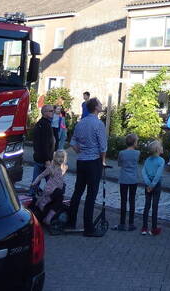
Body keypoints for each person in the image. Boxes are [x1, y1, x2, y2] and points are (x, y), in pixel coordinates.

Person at [65, 97, 108, 236]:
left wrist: (79, 150)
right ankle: (88, 228)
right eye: (100, 104)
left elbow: (72, 142)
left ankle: (70, 222)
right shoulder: (98, 124)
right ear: (96, 108)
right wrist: (103, 161)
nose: (102, 105)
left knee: (77, 192)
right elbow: (103, 146)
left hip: (81, 161)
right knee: (91, 195)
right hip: (93, 161)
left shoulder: (80, 123)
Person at [30, 149, 68, 232]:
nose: (60, 159)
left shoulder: (65, 167)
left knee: (60, 199)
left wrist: (63, 184)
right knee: (59, 193)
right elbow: (41, 176)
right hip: (50, 189)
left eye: (62, 157)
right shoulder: (51, 168)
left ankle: (48, 218)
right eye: (58, 157)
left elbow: (61, 179)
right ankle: (43, 202)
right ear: (55, 158)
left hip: (58, 190)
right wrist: (34, 182)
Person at [116, 133, 140, 231]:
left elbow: (119, 164)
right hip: (133, 179)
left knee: (123, 200)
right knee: (132, 200)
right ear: (134, 143)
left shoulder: (121, 153)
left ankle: (122, 222)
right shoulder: (138, 153)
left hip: (124, 179)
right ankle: (131, 223)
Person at [141, 139, 164, 236]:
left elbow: (143, 172)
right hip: (156, 185)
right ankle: (154, 228)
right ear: (159, 150)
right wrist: (152, 185)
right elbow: (158, 175)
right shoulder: (161, 161)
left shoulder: (147, 160)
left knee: (147, 206)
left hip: (148, 185)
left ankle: (144, 227)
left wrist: (148, 184)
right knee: (155, 207)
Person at [31, 105, 55, 191]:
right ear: (44, 113)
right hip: (44, 160)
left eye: (53, 110)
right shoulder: (45, 125)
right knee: (51, 182)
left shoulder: (41, 123)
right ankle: (51, 199)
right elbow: (44, 144)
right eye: (51, 111)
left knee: (36, 180)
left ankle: (32, 195)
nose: (53, 112)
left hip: (39, 158)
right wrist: (47, 160)